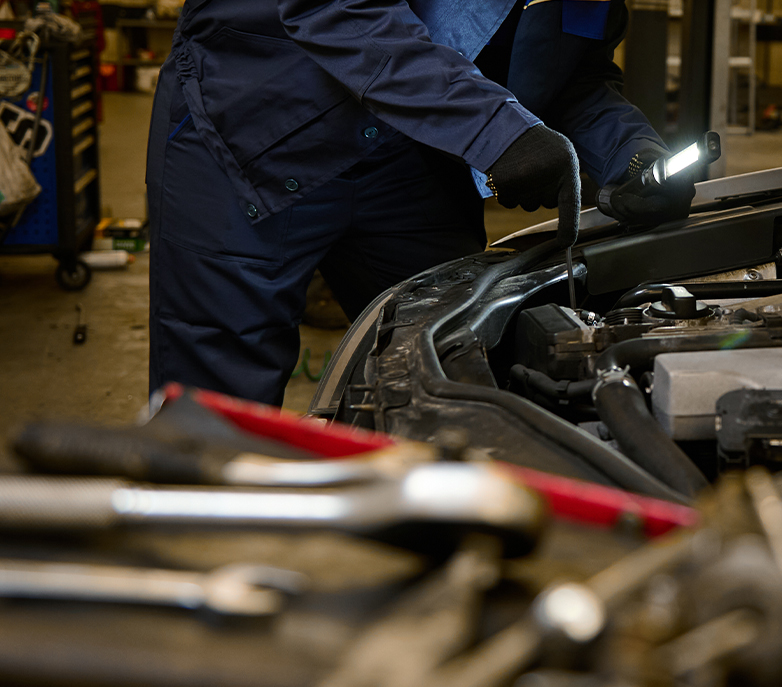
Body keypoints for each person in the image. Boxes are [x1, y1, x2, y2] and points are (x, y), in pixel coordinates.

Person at [147, 0, 693, 406]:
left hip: (417, 149)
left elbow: (573, 72)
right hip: (257, 127)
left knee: (451, 367)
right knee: (215, 404)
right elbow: (334, 8)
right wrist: (498, 131)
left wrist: (629, 151)